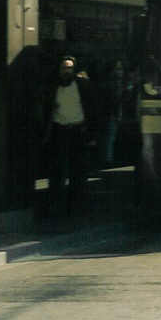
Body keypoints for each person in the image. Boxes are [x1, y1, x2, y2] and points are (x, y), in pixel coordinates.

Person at [43, 56, 99, 215]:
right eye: (64, 68)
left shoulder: (82, 86)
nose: (67, 71)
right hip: (59, 131)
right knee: (57, 170)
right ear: (59, 70)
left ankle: (76, 204)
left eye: (69, 68)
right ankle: (56, 204)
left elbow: (92, 109)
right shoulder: (53, 87)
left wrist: (92, 133)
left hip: (77, 131)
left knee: (78, 170)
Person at [99, 60, 125, 165]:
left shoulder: (117, 83)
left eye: (121, 69)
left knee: (110, 137)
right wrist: (117, 114)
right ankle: (107, 160)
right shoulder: (112, 84)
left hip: (111, 114)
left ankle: (108, 158)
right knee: (109, 137)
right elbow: (114, 100)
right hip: (110, 114)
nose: (121, 71)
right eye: (118, 69)